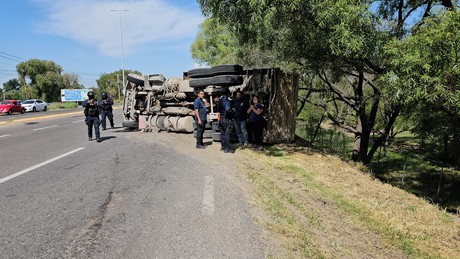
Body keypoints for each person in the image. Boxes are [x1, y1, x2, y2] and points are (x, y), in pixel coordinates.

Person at [218, 87, 234, 153]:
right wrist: (232, 111)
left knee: (222, 133)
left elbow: (218, 110)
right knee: (227, 134)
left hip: (221, 118)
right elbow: (228, 109)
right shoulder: (226, 100)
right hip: (226, 118)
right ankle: (228, 148)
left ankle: (223, 147)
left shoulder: (219, 100)